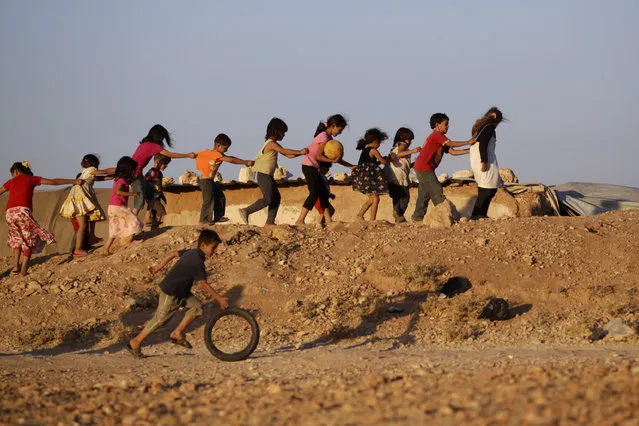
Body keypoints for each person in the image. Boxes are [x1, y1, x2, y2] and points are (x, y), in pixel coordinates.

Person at [127, 229, 229, 358]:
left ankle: (177, 333)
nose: (214, 251)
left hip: (182, 291)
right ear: (203, 245)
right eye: (213, 247)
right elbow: (204, 284)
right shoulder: (197, 261)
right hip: (171, 291)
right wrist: (219, 299)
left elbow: (174, 253)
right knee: (160, 319)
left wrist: (159, 266)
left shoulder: (193, 252)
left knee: (196, 306)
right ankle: (136, 342)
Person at [0, 162, 82, 275]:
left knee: (17, 239)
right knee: (29, 239)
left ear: (16, 171)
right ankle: (23, 270)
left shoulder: (10, 182)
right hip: (23, 212)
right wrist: (74, 181)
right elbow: (54, 182)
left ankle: (15, 267)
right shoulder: (31, 179)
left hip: (9, 214)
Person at [239, 118, 308, 225]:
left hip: (268, 175)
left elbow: (288, 155)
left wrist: (301, 153)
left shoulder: (274, 144)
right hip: (263, 175)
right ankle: (246, 211)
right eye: (283, 133)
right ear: (276, 131)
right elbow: (285, 151)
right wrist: (300, 151)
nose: (284, 135)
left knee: (276, 198)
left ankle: (270, 222)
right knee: (268, 198)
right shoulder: (270, 144)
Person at [411, 113, 474, 222]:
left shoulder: (440, 139)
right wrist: (468, 142)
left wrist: (470, 150)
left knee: (424, 193)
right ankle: (444, 216)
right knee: (436, 190)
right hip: (424, 168)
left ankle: (417, 217)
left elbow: (453, 152)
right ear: (437, 125)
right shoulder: (437, 135)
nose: (447, 127)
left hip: (423, 168)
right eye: (445, 124)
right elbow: (452, 144)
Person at [295, 114, 354, 226]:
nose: (340, 133)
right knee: (314, 192)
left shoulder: (329, 139)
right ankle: (300, 220)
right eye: (340, 129)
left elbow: (335, 158)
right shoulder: (324, 136)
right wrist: (333, 161)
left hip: (313, 167)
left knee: (323, 193)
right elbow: (318, 156)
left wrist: (350, 166)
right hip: (308, 165)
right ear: (333, 125)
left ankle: (328, 220)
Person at [127, 125, 196, 217]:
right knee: (140, 198)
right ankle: (131, 221)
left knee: (152, 193)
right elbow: (170, 154)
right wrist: (187, 155)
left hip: (137, 174)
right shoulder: (153, 146)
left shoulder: (144, 144)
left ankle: (147, 218)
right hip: (134, 174)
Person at [59, 154, 114, 258]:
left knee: (92, 216)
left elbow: (102, 178)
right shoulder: (90, 170)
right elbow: (105, 172)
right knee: (82, 226)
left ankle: (91, 237)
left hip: (81, 197)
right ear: (94, 164)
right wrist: (119, 169)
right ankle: (78, 249)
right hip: (80, 197)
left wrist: (114, 176)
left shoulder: (85, 172)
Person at [196, 133, 254, 226]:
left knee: (220, 196)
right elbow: (231, 160)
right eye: (225, 148)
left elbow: (231, 157)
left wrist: (244, 161)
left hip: (210, 181)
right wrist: (245, 162)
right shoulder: (215, 154)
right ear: (218, 146)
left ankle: (218, 216)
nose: (226, 150)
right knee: (208, 200)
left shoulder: (217, 154)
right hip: (205, 181)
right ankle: (204, 220)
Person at [103, 157, 144, 255]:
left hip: (112, 207)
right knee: (134, 221)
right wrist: (132, 194)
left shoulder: (117, 178)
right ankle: (129, 242)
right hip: (119, 207)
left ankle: (105, 249)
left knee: (114, 228)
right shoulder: (122, 180)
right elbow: (118, 192)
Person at [470, 107, 504, 219]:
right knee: (487, 189)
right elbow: (483, 144)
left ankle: (481, 214)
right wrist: (484, 162)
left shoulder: (481, 128)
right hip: (484, 160)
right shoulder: (488, 127)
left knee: (488, 188)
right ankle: (476, 215)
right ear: (494, 117)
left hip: (484, 159)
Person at [351, 128, 390, 221]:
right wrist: (389, 159)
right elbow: (384, 162)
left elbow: (371, 164)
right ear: (376, 141)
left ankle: (359, 215)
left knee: (372, 199)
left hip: (363, 180)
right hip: (369, 180)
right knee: (376, 199)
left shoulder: (364, 150)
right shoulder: (373, 150)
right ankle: (372, 220)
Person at [384, 128, 421, 223]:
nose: (410, 142)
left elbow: (405, 164)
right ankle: (398, 215)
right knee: (403, 198)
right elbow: (399, 154)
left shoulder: (405, 149)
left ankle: (398, 215)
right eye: (409, 139)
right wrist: (413, 151)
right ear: (402, 138)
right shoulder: (400, 146)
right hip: (396, 177)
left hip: (401, 177)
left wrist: (414, 163)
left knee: (401, 198)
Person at [143, 154, 171, 227]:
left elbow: (159, 187)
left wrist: (163, 197)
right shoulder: (152, 171)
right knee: (161, 212)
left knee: (155, 214)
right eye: (164, 164)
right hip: (152, 197)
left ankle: (155, 230)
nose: (166, 166)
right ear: (157, 162)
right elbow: (145, 181)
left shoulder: (159, 173)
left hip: (157, 197)